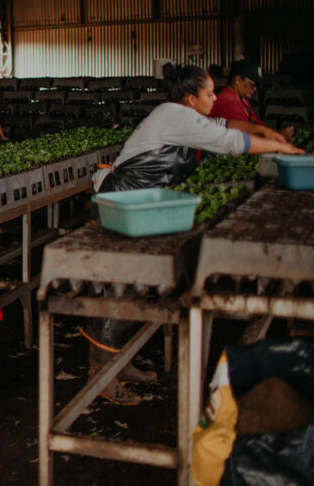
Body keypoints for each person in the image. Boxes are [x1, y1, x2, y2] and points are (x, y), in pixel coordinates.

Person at [88, 63, 303, 404]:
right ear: (190, 98)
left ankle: (119, 362)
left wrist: (268, 135)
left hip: (145, 205)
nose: (215, 98)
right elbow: (230, 141)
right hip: (123, 202)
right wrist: (281, 148)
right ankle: (101, 375)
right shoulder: (173, 116)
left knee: (136, 286)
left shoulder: (185, 115)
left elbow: (225, 124)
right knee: (122, 287)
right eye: (209, 93)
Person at [209, 59, 293, 142]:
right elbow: (247, 136)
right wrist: (278, 136)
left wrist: (275, 134)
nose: (255, 88)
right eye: (253, 84)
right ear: (238, 79)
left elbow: (256, 121)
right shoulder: (229, 102)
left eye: (257, 85)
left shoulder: (242, 99)